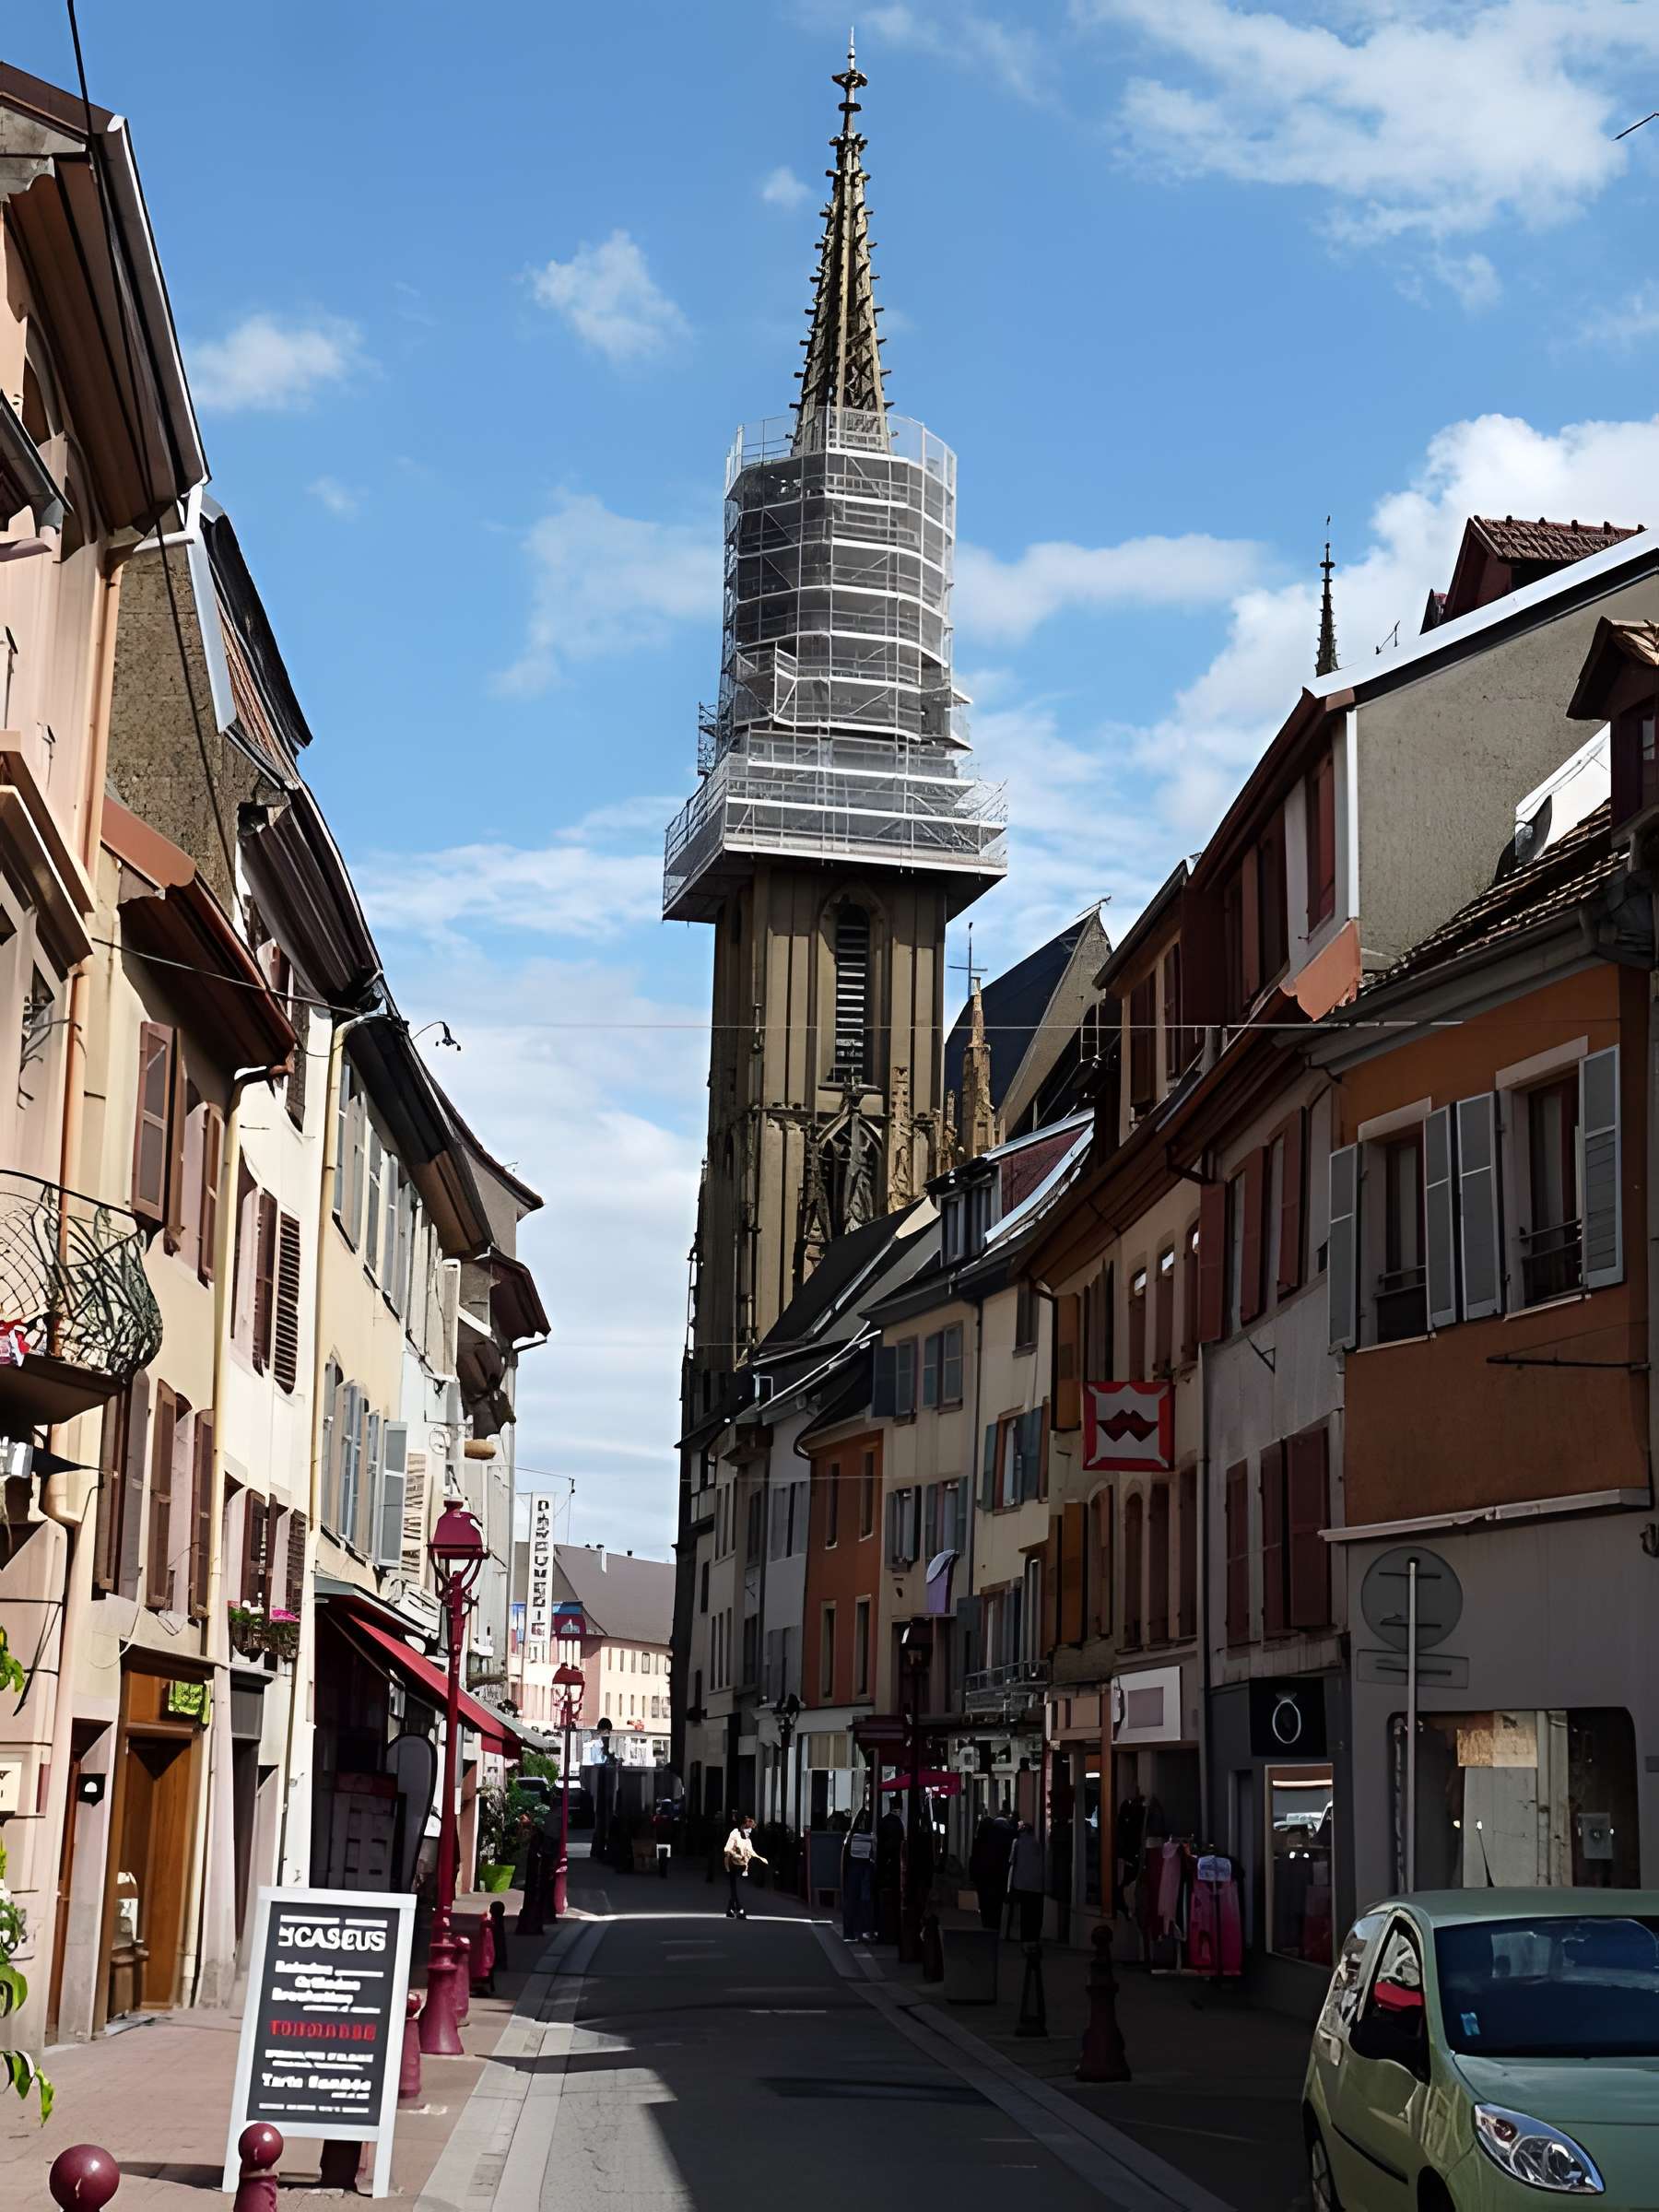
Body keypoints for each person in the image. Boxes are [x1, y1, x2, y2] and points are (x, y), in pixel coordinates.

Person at [970, 1806, 1017, 1933]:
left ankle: (987, 1925)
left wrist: (973, 1876)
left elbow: (974, 1859)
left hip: (983, 1878)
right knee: (995, 1905)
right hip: (997, 1879)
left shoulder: (979, 1841)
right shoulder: (999, 1840)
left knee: (985, 1903)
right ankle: (994, 1926)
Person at [1006, 1818, 1045, 1944]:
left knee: (1023, 1913)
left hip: (1021, 1883)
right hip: (1036, 1885)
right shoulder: (1037, 1844)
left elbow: (1011, 1861)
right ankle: (1032, 1937)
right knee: (1032, 1913)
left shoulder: (1017, 1843)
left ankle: (1023, 1936)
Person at [841, 1811, 877, 1941]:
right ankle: (863, 1931)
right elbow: (873, 1853)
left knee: (852, 1901)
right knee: (864, 1901)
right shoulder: (870, 1836)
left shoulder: (851, 1836)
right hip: (865, 1868)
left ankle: (852, 1932)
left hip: (854, 1869)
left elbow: (845, 1857)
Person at [723, 1812, 766, 1919]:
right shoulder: (734, 1833)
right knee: (736, 1886)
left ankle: (731, 1908)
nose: (749, 1830)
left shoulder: (750, 1835)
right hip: (733, 1862)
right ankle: (739, 1909)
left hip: (743, 1863)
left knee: (736, 1886)